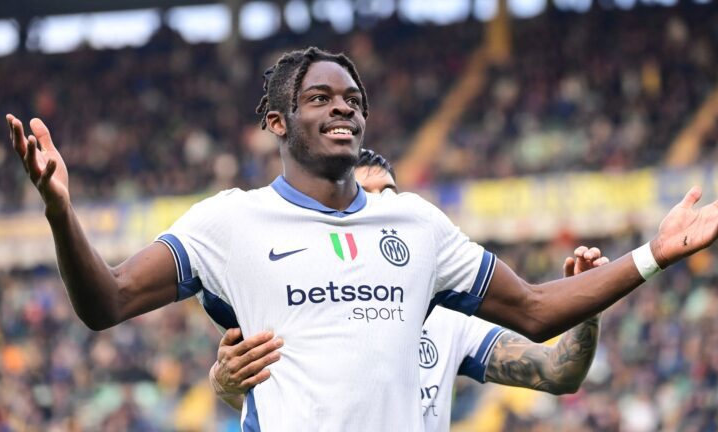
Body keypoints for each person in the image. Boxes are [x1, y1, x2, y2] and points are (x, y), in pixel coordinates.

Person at [5, 46, 718, 431]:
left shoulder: (418, 226)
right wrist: (60, 211)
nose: (344, 108)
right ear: (276, 123)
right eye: (320, 97)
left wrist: (654, 255)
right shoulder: (227, 223)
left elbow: (535, 311)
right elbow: (105, 303)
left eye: (354, 99)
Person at [208, 149, 607, 432]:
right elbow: (267, 404)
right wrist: (223, 383)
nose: (383, 206)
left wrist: (587, 305)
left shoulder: (450, 315)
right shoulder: (294, 303)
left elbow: (557, 373)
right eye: (367, 196)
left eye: (390, 193)